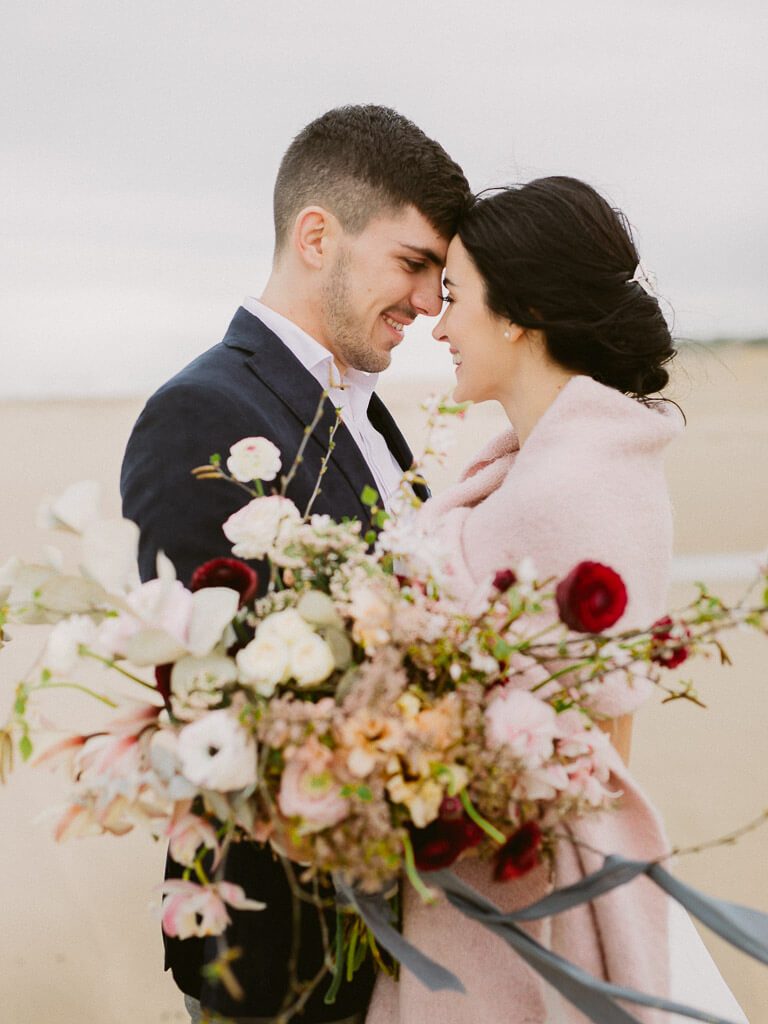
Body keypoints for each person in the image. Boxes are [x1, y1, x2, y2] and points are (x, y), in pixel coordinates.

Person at [365, 177, 748, 1023]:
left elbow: (602, 727)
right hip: (499, 885)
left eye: (454, 297)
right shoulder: (556, 464)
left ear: (519, 314)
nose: (438, 325)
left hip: (529, 904)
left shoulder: (571, 486)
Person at [120, 104, 470, 1024]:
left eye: (439, 277)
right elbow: (217, 691)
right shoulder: (199, 412)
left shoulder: (369, 412)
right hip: (285, 948)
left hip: (400, 934)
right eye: (413, 263)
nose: (429, 302)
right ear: (318, 237)